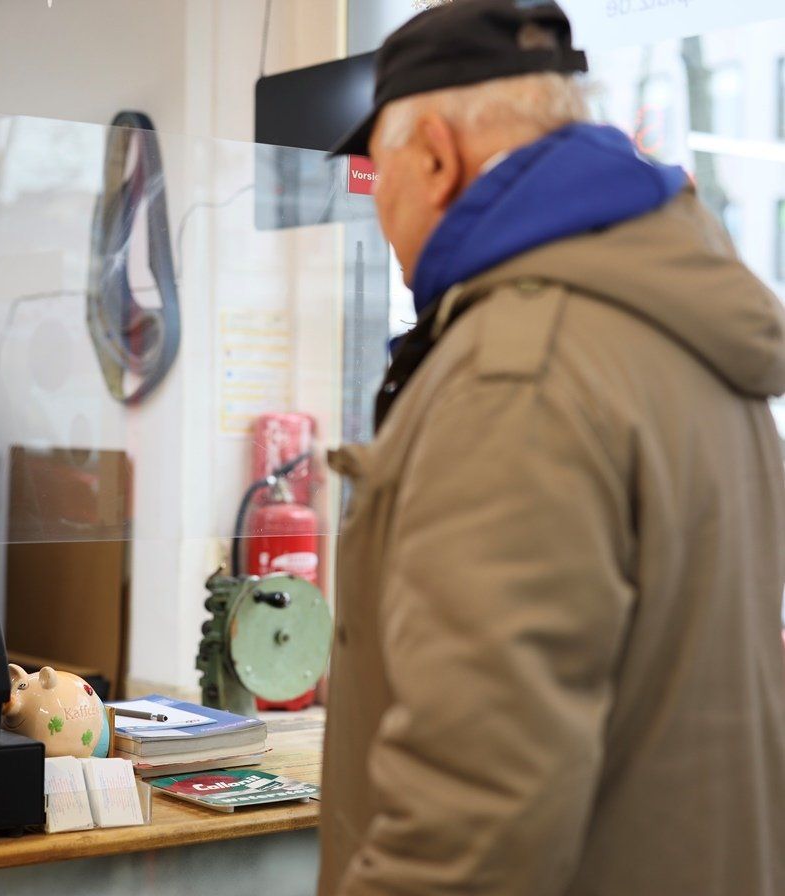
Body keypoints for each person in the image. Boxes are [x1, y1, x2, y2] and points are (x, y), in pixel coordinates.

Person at [318, 2, 785, 895]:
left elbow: (474, 809)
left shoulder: (513, 378)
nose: (380, 206)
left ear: (435, 160)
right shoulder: (685, 330)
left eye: (380, 172)